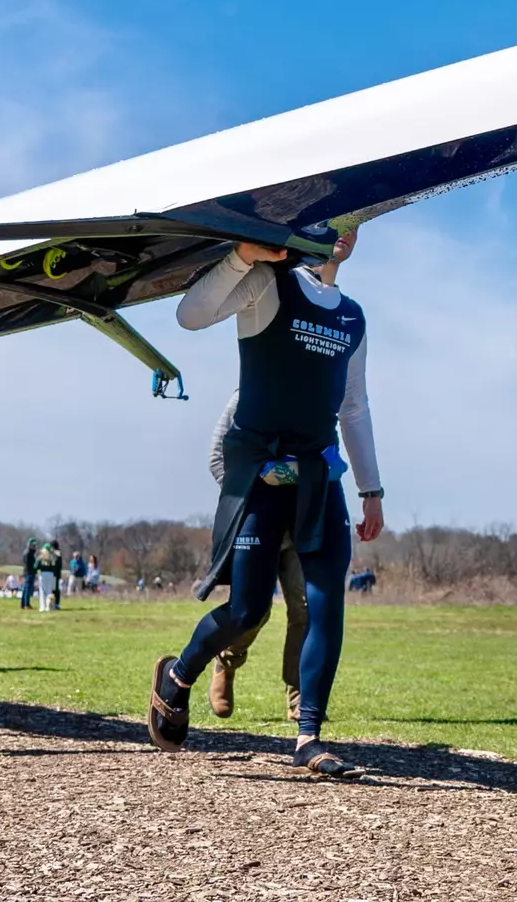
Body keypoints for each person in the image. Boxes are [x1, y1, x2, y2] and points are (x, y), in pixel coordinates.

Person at [148, 228, 384, 778]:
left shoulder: (353, 317)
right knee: (247, 611)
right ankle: (177, 677)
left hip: (319, 476)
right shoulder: (267, 281)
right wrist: (242, 256)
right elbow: (190, 315)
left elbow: (354, 406)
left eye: (357, 223)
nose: (344, 233)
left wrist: (371, 489)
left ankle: (309, 736)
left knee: (326, 602)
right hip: (259, 475)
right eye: (335, 221)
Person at [205, 388, 308, 721]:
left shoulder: (314, 392)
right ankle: (226, 661)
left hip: (299, 522)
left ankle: (299, 695)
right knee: (255, 611)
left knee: (304, 609)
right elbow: (217, 459)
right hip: (255, 521)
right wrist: (250, 497)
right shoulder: (245, 395)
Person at [20, 538, 39, 610]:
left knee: (26, 589)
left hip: (29, 572)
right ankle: (25, 604)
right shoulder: (28, 553)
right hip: (29, 572)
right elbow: (29, 565)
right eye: (34, 545)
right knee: (27, 589)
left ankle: (25, 603)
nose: (35, 547)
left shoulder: (30, 553)